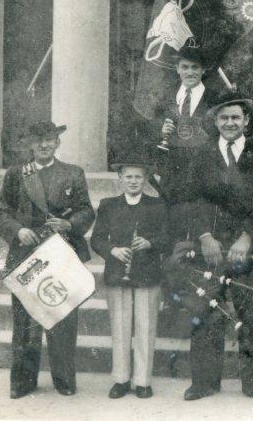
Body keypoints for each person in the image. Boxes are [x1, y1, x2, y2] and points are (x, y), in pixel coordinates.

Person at [183, 94, 253, 401]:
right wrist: (204, 236)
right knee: (205, 310)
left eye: (236, 118)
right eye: (224, 118)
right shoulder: (202, 155)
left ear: (246, 121)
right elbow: (194, 198)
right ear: (215, 122)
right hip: (211, 247)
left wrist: (248, 237)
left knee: (250, 313)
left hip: (246, 247)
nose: (230, 123)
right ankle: (204, 382)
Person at [0, 121, 95, 399]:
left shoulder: (73, 173)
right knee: (25, 322)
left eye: (49, 139)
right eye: (38, 141)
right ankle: (23, 381)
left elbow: (86, 212)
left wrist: (68, 224)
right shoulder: (16, 174)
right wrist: (18, 230)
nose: (44, 145)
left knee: (63, 316)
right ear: (29, 144)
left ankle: (64, 379)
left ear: (57, 142)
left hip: (61, 253)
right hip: (26, 255)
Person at [90, 158, 170, 399]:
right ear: (120, 179)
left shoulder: (157, 205)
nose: (133, 181)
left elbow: (167, 237)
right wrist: (112, 250)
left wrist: (150, 243)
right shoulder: (108, 204)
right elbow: (97, 239)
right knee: (120, 327)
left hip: (147, 272)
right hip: (118, 271)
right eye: (128, 177)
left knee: (146, 327)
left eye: (138, 177)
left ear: (145, 180)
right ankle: (121, 379)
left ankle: (143, 381)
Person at [157, 46, 221, 205]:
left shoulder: (214, 98)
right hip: (172, 168)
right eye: (185, 67)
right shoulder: (167, 95)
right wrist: (161, 129)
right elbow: (154, 121)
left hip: (202, 166)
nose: (190, 72)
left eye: (195, 67)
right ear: (177, 69)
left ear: (203, 69)